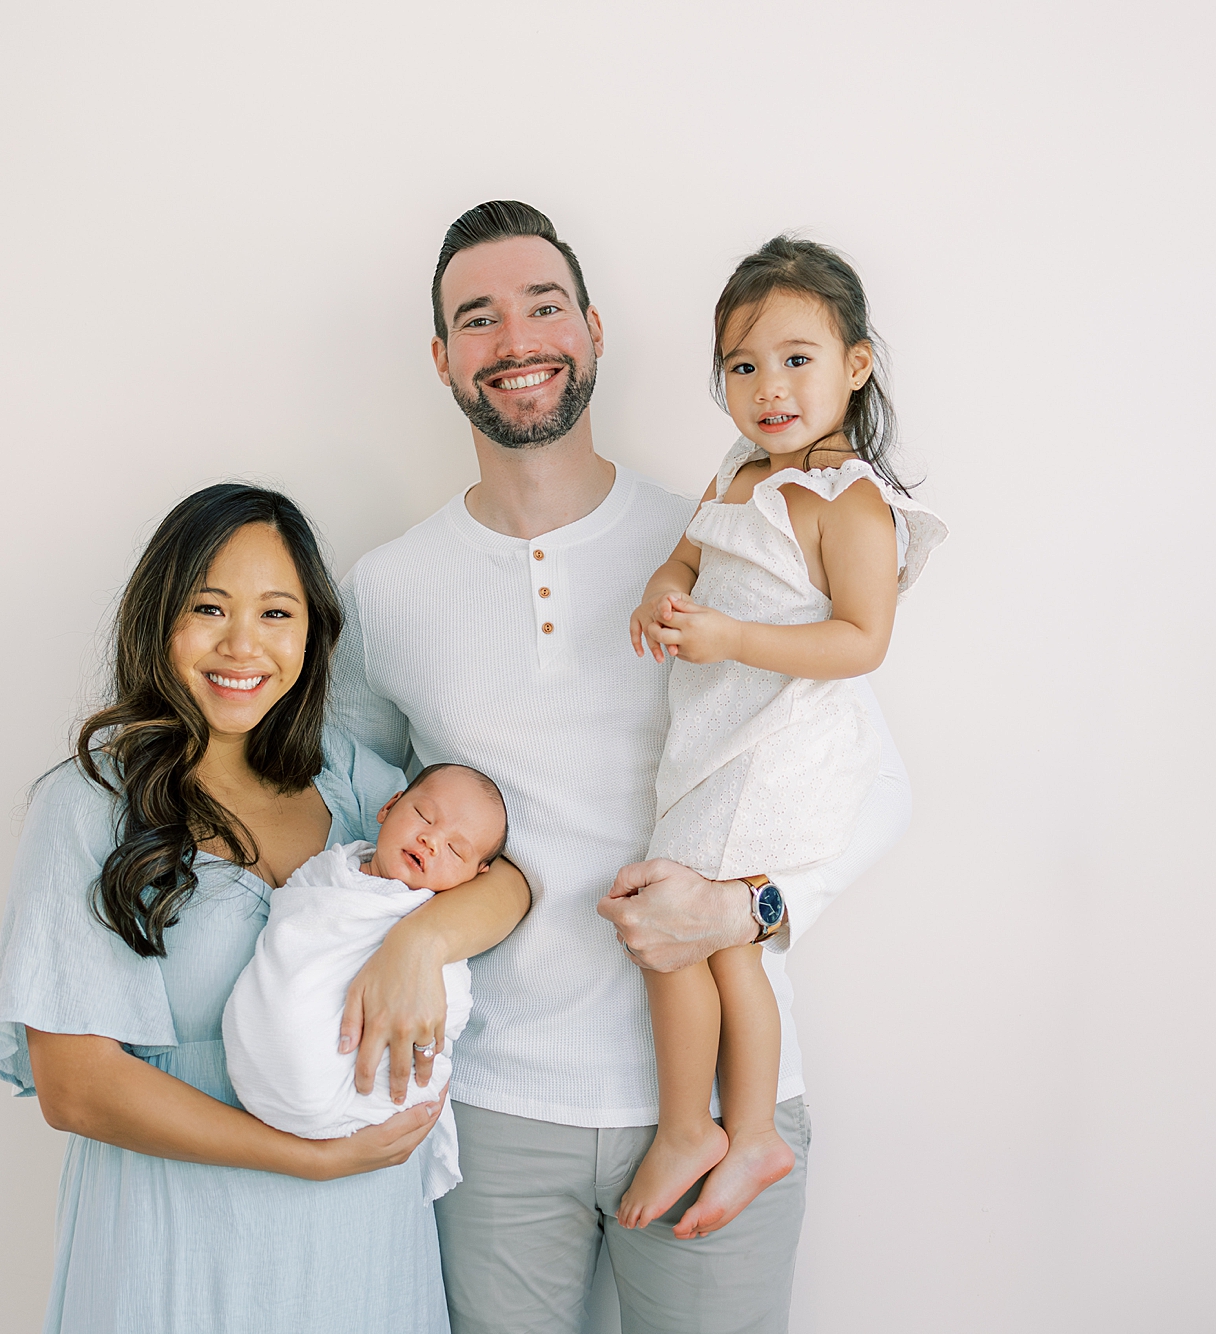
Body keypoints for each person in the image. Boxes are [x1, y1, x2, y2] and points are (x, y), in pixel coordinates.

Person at [331, 201, 921, 1334]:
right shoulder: (391, 589)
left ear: (593, 330)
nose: (515, 338)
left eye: (544, 306)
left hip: (724, 1099)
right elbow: (355, 826)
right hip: (494, 1110)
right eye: (478, 317)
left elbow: (870, 779)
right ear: (443, 356)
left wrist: (742, 906)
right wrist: (411, 931)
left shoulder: (730, 524)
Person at [0, 483, 531, 1333]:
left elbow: (505, 880)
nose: (243, 645)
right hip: (176, 1238)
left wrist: (419, 944)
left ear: (311, 634)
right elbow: (77, 1088)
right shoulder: (91, 803)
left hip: (362, 1244)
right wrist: (305, 1159)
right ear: (158, 618)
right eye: (209, 607)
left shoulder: (348, 780)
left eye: (277, 613)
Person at [617, 236, 948, 1240]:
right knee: (707, 948)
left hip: (776, 753)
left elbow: (860, 639)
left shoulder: (849, 503)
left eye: (796, 358)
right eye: (742, 365)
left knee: (692, 937)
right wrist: (663, 592)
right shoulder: (736, 474)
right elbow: (685, 555)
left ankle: (712, 1126)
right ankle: (736, 1130)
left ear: (854, 366)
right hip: (715, 739)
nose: (768, 387)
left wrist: (725, 634)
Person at [223, 762, 511, 1202]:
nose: (431, 841)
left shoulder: (436, 920)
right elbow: (293, 928)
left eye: (456, 850)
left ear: (477, 876)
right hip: (256, 1074)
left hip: (353, 1099)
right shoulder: (330, 872)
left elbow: (447, 1004)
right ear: (389, 806)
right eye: (424, 817)